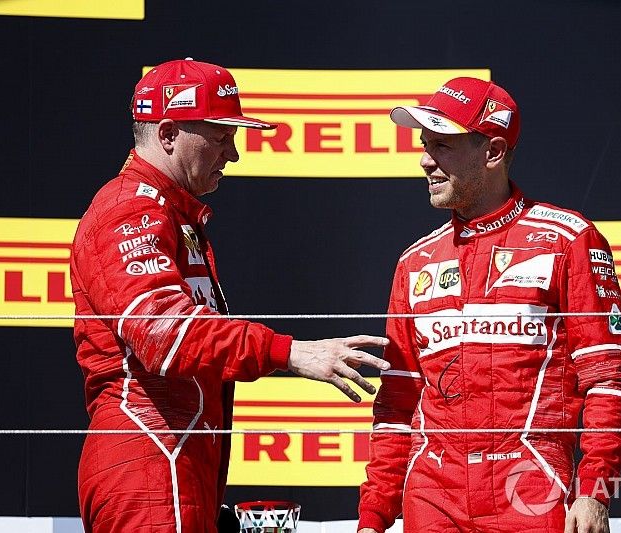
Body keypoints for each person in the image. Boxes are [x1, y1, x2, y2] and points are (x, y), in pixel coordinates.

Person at [70, 58, 390, 533]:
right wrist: (290, 353)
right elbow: (166, 336)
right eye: (221, 137)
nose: (233, 154)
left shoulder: (174, 217)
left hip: (176, 464)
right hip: (148, 466)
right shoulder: (129, 210)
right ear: (168, 134)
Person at [358, 77, 621, 533]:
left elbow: (609, 377)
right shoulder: (415, 261)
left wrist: (595, 491)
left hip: (530, 488)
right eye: (426, 145)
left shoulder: (568, 239)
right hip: (433, 496)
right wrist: (373, 516)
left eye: (443, 146)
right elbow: (396, 404)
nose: (425, 160)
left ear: (492, 152)